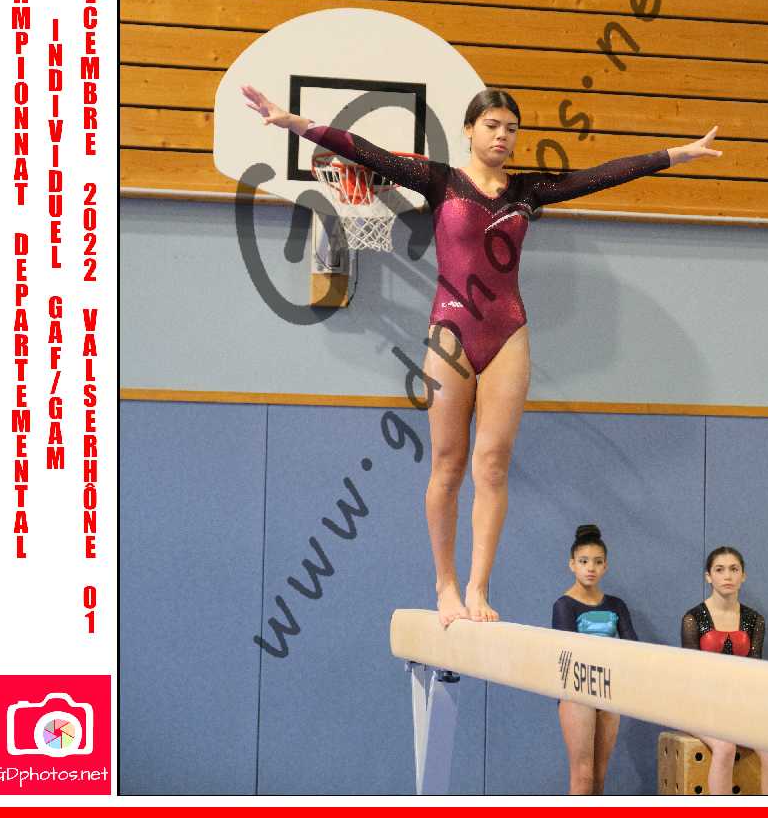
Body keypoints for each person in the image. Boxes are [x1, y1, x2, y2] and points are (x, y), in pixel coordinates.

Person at [241, 81, 722, 626]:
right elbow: (366, 152)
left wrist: (676, 155)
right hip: (451, 329)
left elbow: (602, 175)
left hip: (508, 331)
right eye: (492, 125)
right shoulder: (440, 180)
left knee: (491, 465)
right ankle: (445, 583)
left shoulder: (528, 190)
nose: (502, 136)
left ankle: (477, 587)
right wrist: (293, 122)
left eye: (511, 129)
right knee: (448, 463)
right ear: (469, 129)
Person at [681, 546, 768, 795]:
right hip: (699, 705)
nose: (727, 576)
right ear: (708, 576)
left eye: (734, 569)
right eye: (719, 570)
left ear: (743, 575)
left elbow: (754, 670)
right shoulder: (693, 618)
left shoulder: (754, 620)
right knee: (725, 747)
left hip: (740, 705)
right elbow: (689, 673)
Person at [552, 524, 635, 795]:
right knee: (583, 777)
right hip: (577, 692)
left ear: (605, 566)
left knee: (599, 778)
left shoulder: (616, 605)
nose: (591, 568)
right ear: (572, 565)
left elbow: (634, 647)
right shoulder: (564, 605)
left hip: (608, 690)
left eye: (598, 562)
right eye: (584, 561)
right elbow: (567, 653)